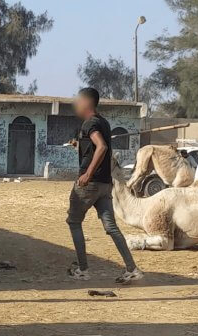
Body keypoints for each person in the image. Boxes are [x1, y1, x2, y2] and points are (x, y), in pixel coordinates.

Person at [66, 87, 143, 283]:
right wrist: (80, 146)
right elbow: (95, 148)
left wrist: (87, 174)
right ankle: (132, 268)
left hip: (89, 184)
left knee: (74, 222)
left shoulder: (90, 123)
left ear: (86, 103)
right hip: (105, 185)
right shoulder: (103, 122)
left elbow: (101, 147)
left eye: (78, 101)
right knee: (111, 227)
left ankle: (83, 269)